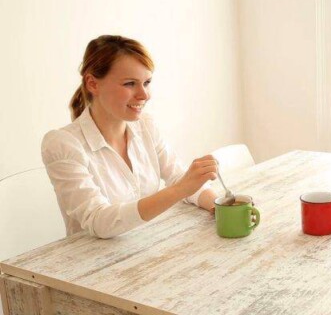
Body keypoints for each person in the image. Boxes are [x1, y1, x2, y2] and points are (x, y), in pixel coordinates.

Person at [41, 35, 218, 239]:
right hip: (93, 264)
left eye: (147, 82)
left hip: (148, 247)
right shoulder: (62, 144)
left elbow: (179, 177)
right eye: (130, 83)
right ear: (93, 84)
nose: (144, 95)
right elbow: (99, 221)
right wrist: (180, 189)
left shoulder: (146, 126)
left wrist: (220, 206)